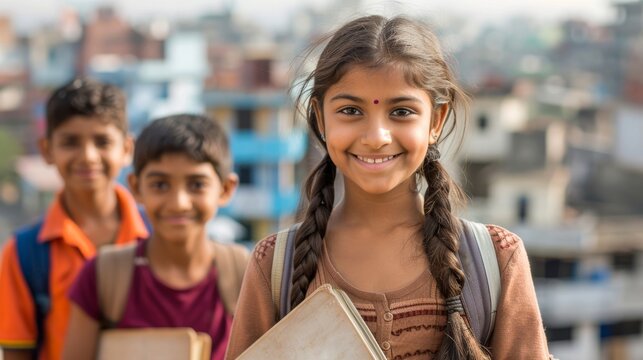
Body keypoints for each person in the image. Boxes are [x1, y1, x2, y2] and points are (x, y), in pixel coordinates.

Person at [226, 15, 550, 360]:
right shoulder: (276, 265)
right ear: (321, 120)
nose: (376, 137)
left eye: (401, 111)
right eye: (351, 110)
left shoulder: (496, 261)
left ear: (435, 121)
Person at [62, 114, 247, 360]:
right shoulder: (102, 275)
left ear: (225, 189)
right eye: (160, 185)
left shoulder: (248, 275)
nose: (178, 203)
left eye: (196, 184)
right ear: (136, 187)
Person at [0, 78, 149, 360]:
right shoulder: (25, 254)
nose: (88, 156)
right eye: (71, 142)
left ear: (127, 149)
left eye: (102, 141)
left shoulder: (158, 239)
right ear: (46, 150)